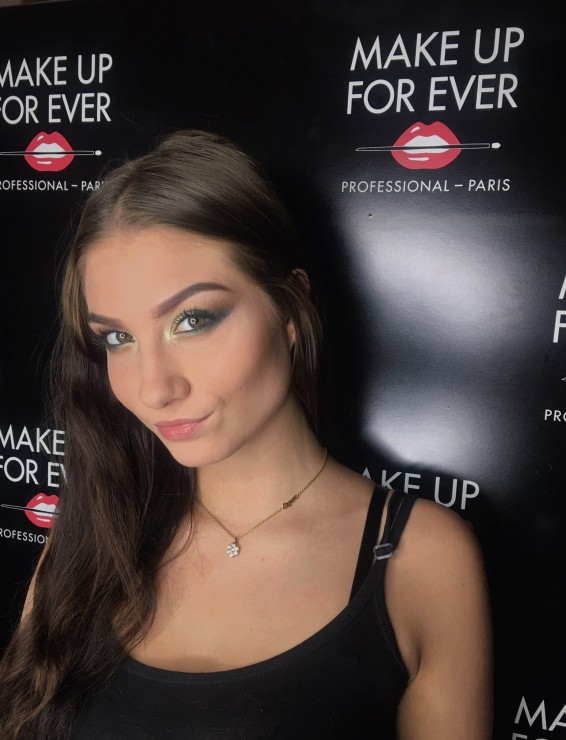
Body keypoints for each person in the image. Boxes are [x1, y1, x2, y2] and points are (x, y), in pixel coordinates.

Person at [0, 130, 492, 739]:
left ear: (289, 309)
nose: (154, 388)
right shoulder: (92, 532)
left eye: (192, 320)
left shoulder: (419, 559)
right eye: (118, 339)